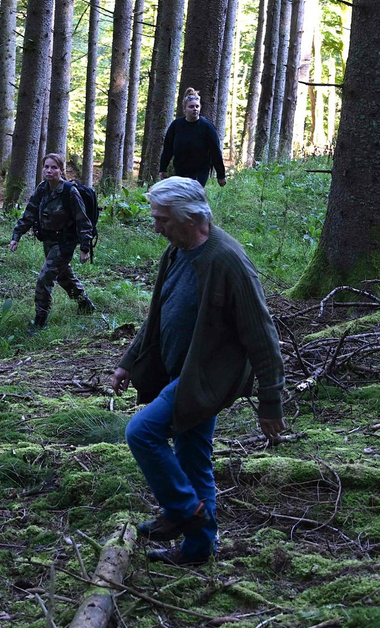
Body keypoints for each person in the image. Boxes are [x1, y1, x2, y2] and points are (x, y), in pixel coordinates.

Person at [110, 177, 286, 566]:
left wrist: (270, 401)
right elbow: (158, 314)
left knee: (141, 432)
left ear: (191, 218)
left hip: (204, 379)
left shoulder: (227, 261)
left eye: (163, 220)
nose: (156, 228)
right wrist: (129, 360)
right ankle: (199, 547)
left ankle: (184, 512)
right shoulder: (176, 252)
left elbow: (262, 334)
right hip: (178, 373)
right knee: (193, 458)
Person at [9, 153, 96, 329]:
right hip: (48, 241)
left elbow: (83, 221)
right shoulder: (42, 189)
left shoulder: (69, 192)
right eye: (46, 167)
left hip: (64, 242)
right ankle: (85, 305)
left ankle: (40, 320)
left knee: (45, 278)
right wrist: (16, 236)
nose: (49, 170)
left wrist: (85, 247)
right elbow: (29, 214)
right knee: (64, 276)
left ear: (61, 170)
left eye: (54, 167)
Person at [158, 88, 227, 188]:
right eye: (191, 107)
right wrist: (163, 168)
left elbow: (215, 151)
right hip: (181, 169)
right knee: (182, 195)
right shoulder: (176, 125)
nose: (195, 109)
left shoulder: (207, 127)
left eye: (197, 106)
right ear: (185, 109)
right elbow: (168, 148)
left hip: (200, 171)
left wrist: (221, 175)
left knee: (192, 193)